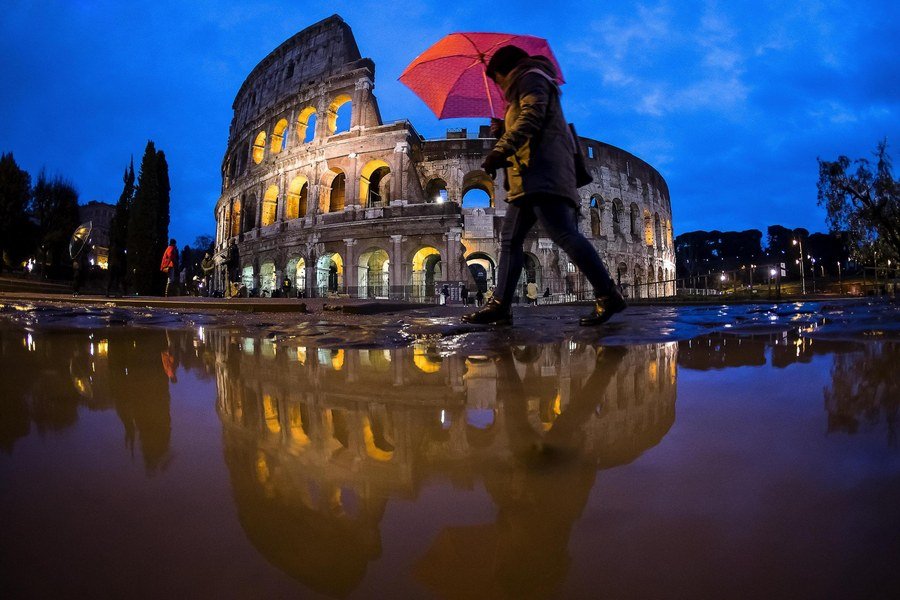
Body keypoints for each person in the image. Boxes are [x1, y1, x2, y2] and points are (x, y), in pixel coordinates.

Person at [462, 45, 626, 326]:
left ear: (505, 71)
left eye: (496, 81)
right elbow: (526, 124)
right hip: (527, 180)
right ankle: (501, 306)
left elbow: (532, 119)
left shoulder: (531, 78)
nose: (498, 88)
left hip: (543, 174)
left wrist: (501, 148)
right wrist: (503, 129)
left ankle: (608, 294)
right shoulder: (523, 87)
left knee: (564, 234)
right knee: (511, 241)